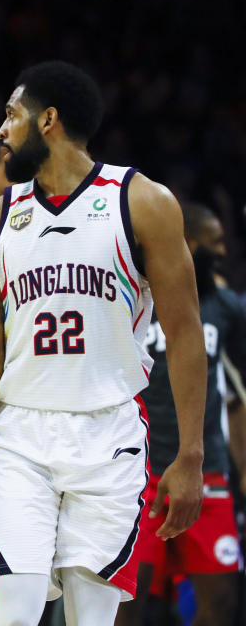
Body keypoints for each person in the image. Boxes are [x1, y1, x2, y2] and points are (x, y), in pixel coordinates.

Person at [0, 60, 207, 626]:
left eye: (12, 115)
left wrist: (191, 453)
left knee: (90, 619)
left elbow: (185, 333)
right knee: (12, 615)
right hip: (20, 434)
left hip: (108, 434)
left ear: (47, 120)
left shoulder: (142, 201)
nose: (1, 130)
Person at [115, 203, 246, 626]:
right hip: (137, 472)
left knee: (222, 603)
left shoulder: (228, 308)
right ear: (186, 244)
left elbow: (237, 396)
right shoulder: (126, 297)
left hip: (204, 469)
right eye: (214, 242)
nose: (223, 251)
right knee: (128, 605)